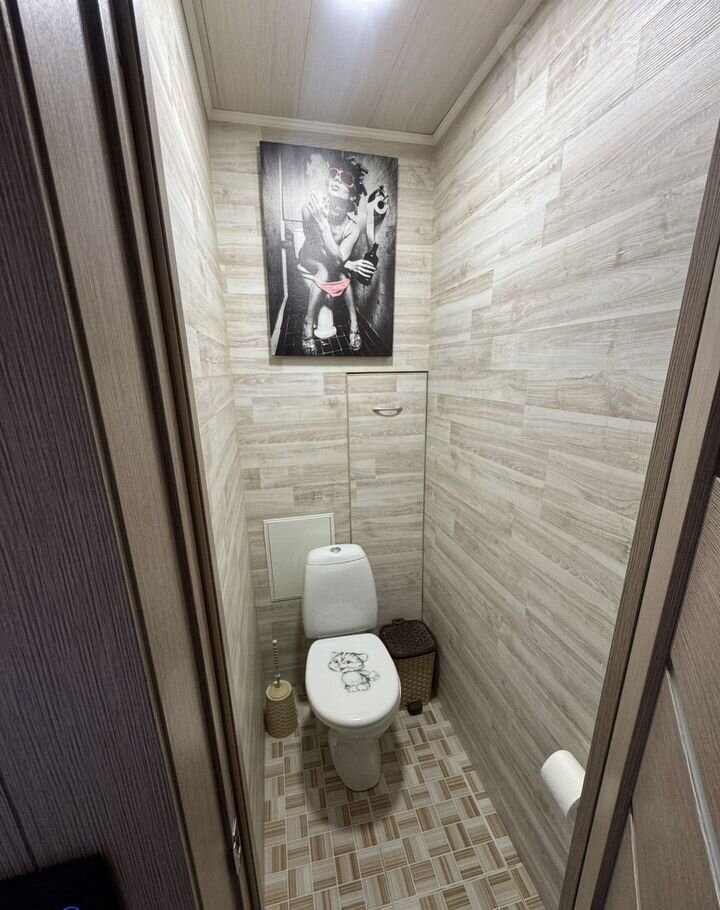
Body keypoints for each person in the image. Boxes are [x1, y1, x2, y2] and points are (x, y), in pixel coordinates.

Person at [298, 155, 376, 354]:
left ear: (352, 196)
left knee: (343, 275)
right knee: (325, 271)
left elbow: (338, 259)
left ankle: (354, 325)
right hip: (310, 255)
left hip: (333, 261)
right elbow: (317, 248)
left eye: (345, 178)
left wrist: (344, 263)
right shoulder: (311, 210)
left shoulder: (353, 228)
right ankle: (307, 325)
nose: (336, 179)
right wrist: (346, 263)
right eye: (334, 174)